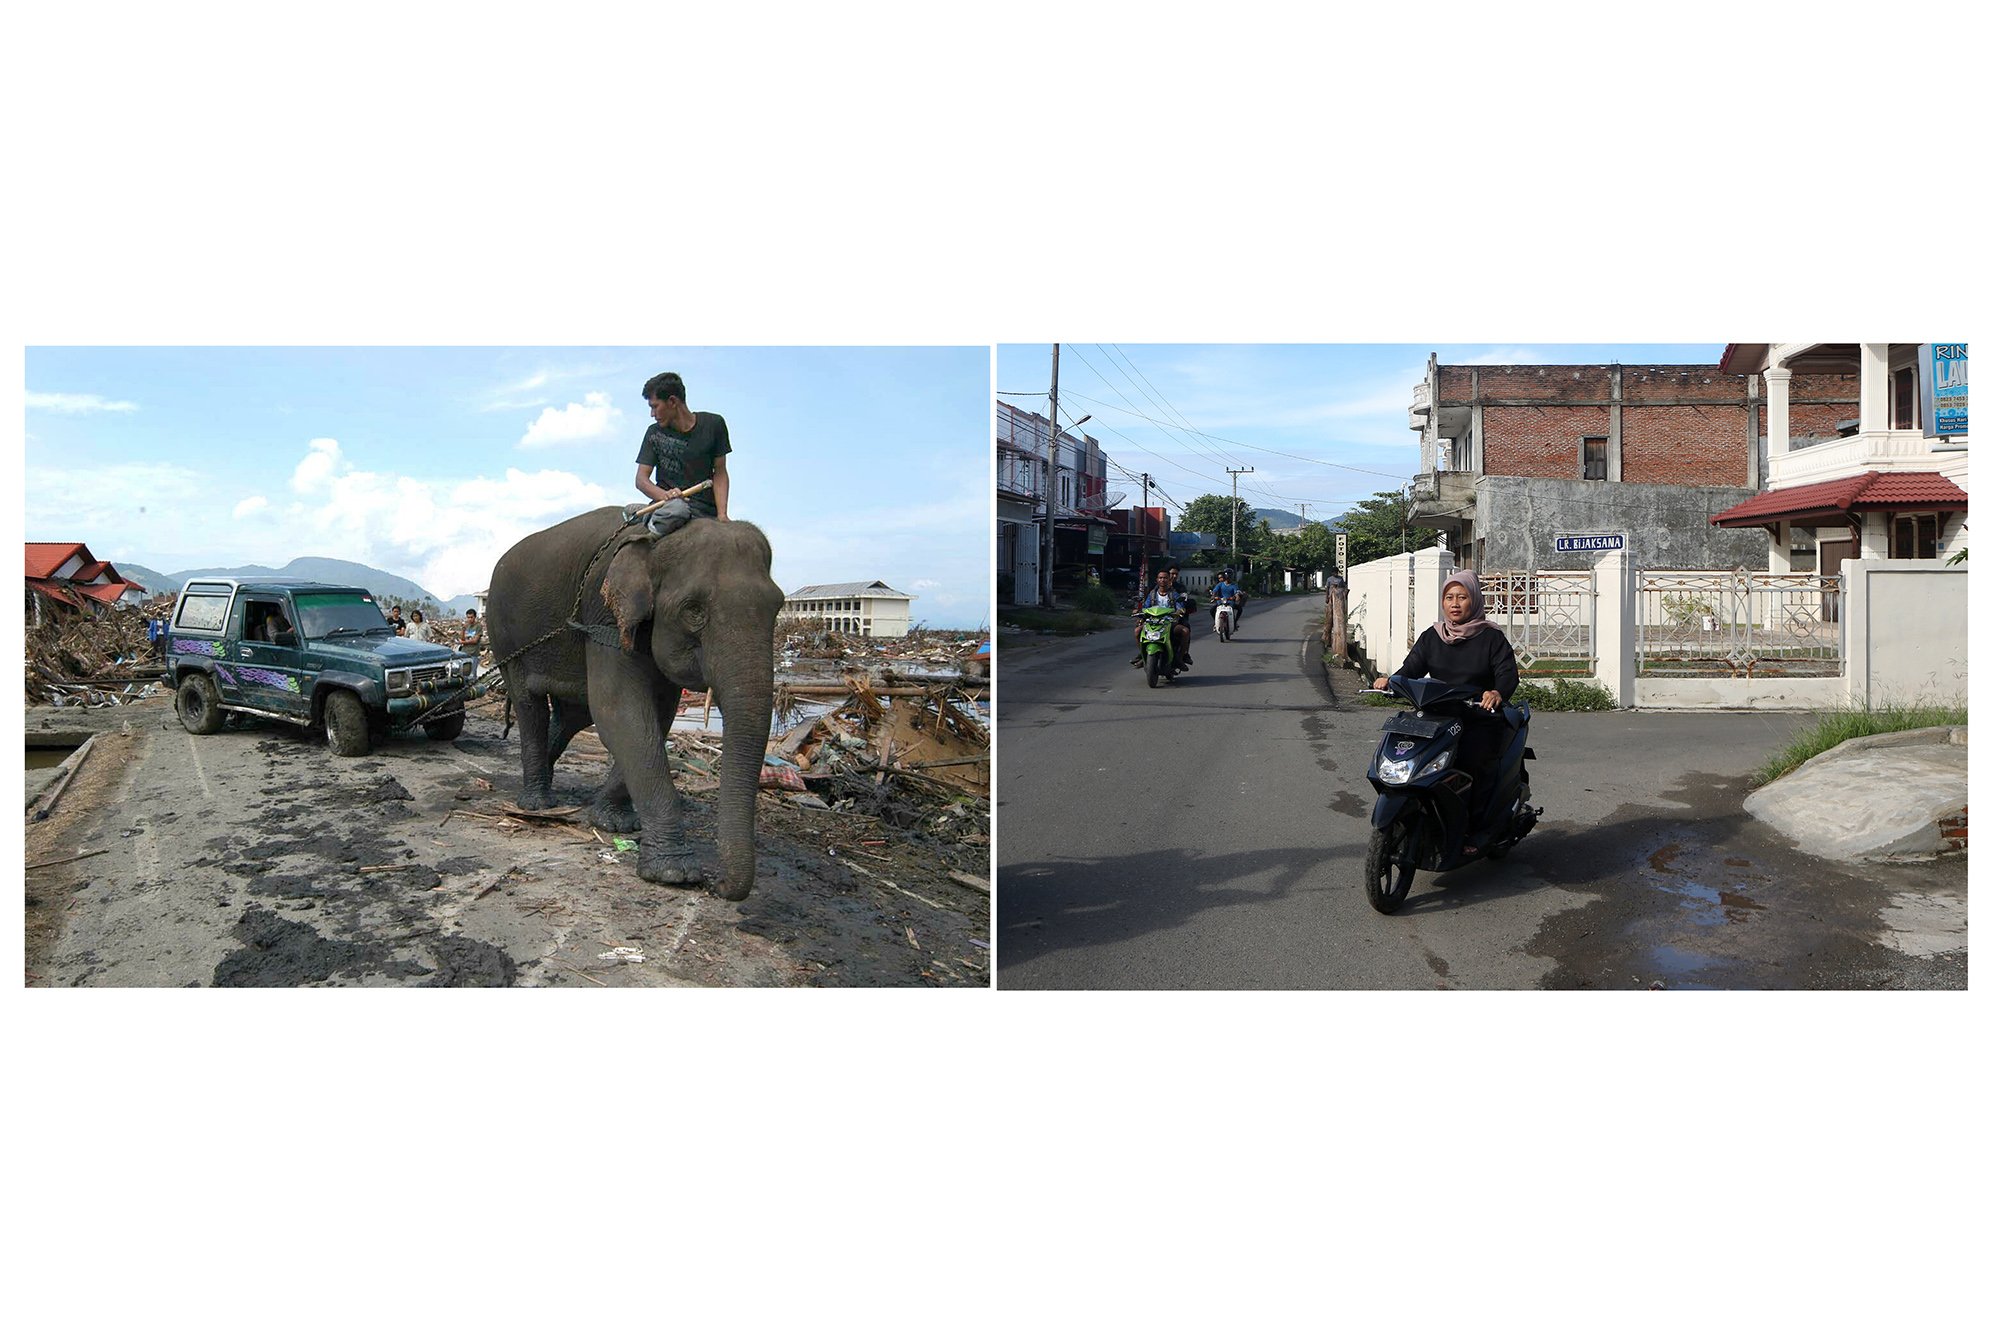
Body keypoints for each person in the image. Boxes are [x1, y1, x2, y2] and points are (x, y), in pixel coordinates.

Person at [1373, 570, 1518, 847]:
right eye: (1449, 597)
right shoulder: (1433, 636)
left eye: (1462, 597)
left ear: (1474, 600)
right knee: (1412, 757)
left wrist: (1496, 692)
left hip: (1478, 716)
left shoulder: (1491, 638)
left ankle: (1478, 829)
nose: (1455, 604)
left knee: (1473, 763)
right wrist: (1391, 681)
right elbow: (1411, 669)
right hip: (1438, 716)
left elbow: (1507, 673)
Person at [634, 371, 731, 524]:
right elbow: (641, 479)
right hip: (667, 507)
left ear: (672, 402)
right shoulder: (654, 433)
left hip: (704, 509)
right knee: (678, 509)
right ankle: (649, 522)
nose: (652, 414)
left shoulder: (714, 424)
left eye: (655, 407)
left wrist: (722, 515)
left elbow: (720, 472)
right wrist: (665, 495)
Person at [1131, 567, 1191, 675]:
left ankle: (1180, 658)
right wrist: (1139, 612)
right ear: (1157, 580)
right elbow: (1146, 607)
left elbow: (1180, 606)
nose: (1162, 580)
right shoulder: (1152, 594)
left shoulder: (1174, 594)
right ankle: (1142, 656)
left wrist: (1180, 611)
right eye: (1160, 578)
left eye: (1165, 578)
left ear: (1169, 580)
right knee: (1137, 631)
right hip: (1152, 622)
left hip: (1169, 622)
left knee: (1185, 631)